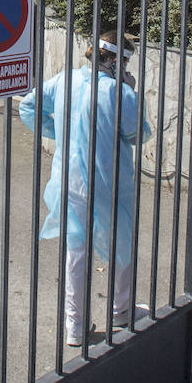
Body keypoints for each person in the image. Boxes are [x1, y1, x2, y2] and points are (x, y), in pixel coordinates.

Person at [19, 29, 153, 347]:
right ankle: (121, 310)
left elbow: (28, 107)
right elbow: (139, 135)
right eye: (124, 62)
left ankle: (74, 327)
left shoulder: (64, 80)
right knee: (120, 244)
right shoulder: (119, 92)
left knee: (75, 251)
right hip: (110, 183)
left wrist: (58, 131)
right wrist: (131, 92)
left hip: (70, 180)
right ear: (116, 61)